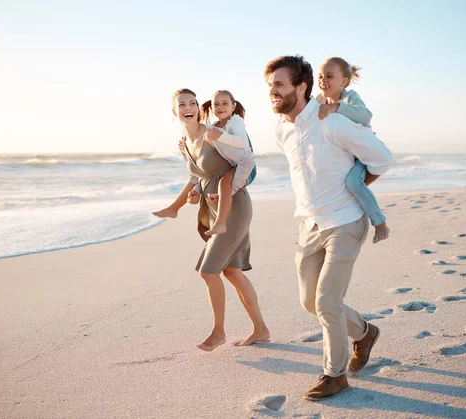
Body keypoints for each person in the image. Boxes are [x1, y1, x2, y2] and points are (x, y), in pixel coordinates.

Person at [264, 56, 392, 400]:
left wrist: (357, 185)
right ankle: (364, 333)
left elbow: (382, 156)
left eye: (279, 84)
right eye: (270, 86)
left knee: (326, 300)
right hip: (308, 223)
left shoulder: (331, 120)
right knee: (310, 301)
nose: (272, 92)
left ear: (301, 86)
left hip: (345, 220)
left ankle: (334, 375)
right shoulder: (281, 130)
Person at [153, 88, 269, 351]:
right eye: (181, 104)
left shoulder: (214, 135)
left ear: (198, 107)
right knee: (232, 272)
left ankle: (218, 332)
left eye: (192, 102)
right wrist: (194, 192)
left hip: (234, 207)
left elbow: (244, 160)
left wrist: (229, 187)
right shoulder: (185, 143)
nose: (188, 107)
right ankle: (261, 329)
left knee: (208, 271)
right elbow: (198, 176)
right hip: (213, 208)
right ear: (175, 111)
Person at [316, 57, 390, 243]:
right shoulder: (319, 100)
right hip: (343, 154)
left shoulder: (350, 97)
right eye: (320, 76)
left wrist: (338, 107)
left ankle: (379, 222)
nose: (323, 81)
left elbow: (365, 116)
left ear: (344, 81)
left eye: (329, 76)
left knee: (353, 183)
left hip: (361, 156)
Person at [198, 90, 256, 235]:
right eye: (216, 104)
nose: (220, 107)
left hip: (247, 165)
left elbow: (241, 143)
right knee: (219, 181)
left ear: (233, 106)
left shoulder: (236, 122)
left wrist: (221, 135)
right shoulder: (214, 126)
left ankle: (220, 223)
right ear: (211, 108)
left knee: (224, 183)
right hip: (233, 164)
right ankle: (220, 198)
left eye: (225, 103)